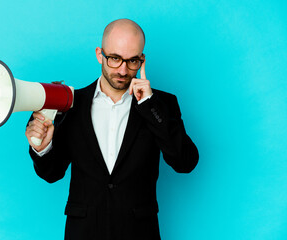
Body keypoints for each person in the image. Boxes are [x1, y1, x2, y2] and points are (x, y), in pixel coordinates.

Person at [25, 19, 199, 240]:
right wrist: (42, 147)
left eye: (133, 60)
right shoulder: (71, 103)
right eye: (115, 58)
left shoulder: (161, 104)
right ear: (100, 54)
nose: (123, 70)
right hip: (83, 232)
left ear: (142, 60)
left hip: (139, 233)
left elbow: (185, 162)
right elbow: (52, 174)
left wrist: (150, 107)